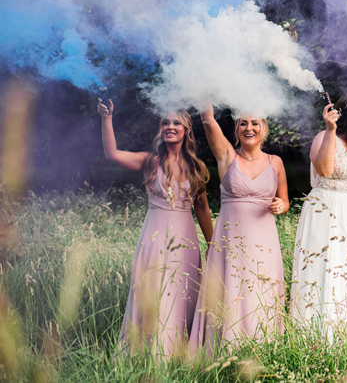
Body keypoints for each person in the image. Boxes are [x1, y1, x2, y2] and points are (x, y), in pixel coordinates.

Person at [97, 99, 213, 359]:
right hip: (154, 236)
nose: (170, 126)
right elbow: (112, 154)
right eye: (166, 123)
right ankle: (144, 353)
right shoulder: (150, 161)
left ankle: (176, 353)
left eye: (176, 123)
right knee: (151, 291)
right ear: (161, 129)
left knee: (181, 294)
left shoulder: (196, 167)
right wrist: (107, 118)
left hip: (186, 240)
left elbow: (202, 208)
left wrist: (212, 244)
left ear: (186, 130)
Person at [189, 102, 289, 353]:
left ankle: (263, 348)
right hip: (231, 240)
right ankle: (225, 349)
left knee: (261, 289)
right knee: (230, 289)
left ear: (264, 129)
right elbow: (208, 120)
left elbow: (285, 201)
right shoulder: (227, 156)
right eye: (243, 123)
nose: (249, 128)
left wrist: (281, 205)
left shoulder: (275, 162)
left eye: (255, 123)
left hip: (264, 240)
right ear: (236, 130)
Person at [289, 93, 347, 333]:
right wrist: (329, 130)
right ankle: (314, 333)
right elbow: (324, 169)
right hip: (325, 211)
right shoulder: (324, 138)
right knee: (324, 268)